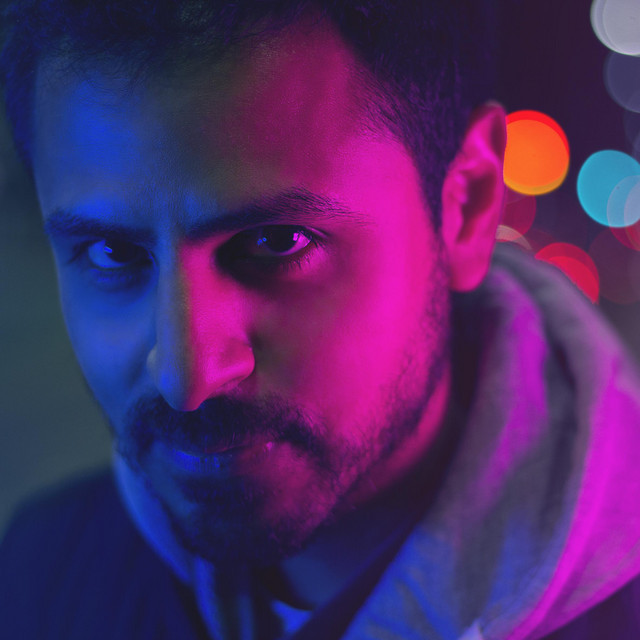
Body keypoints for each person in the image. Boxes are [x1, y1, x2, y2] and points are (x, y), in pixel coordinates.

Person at [1, 1, 640, 638]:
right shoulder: (37, 577)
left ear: (466, 205)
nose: (186, 377)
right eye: (111, 254)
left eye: (277, 243)